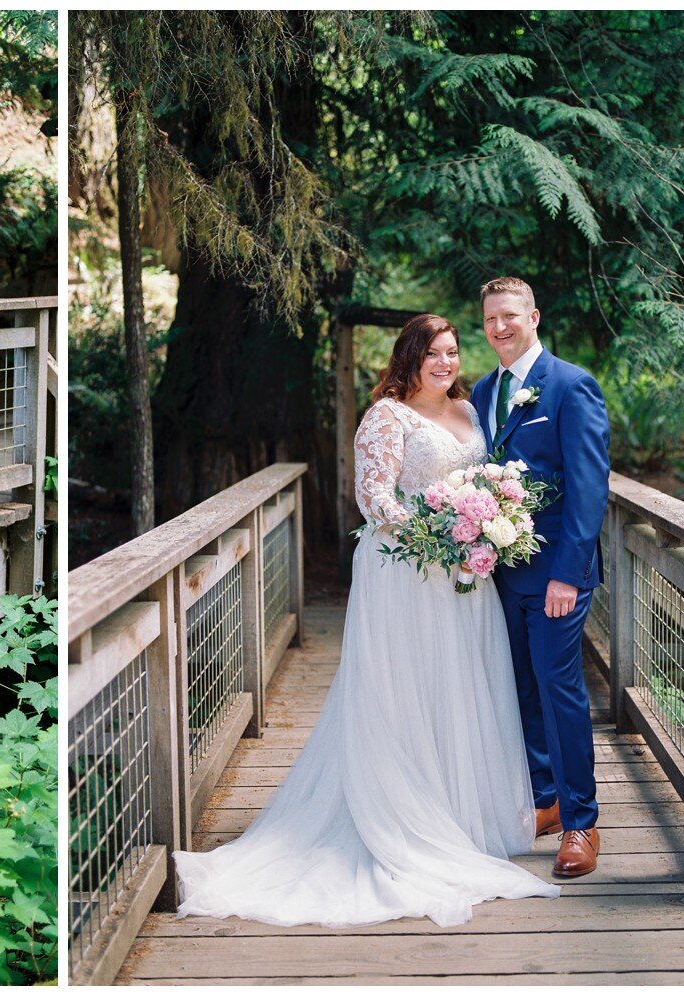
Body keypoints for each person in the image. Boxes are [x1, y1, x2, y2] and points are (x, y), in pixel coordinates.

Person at [173, 314, 559, 928]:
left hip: (465, 573)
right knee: (401, 690)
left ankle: (457, 816)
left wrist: (485, 525)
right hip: (406, 570)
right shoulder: (386, 415)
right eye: (433, 353)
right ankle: (399, 816)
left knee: (459, 688)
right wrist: (435, 534)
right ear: (409, 357)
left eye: (453, 352)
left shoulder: (470, 411)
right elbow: (374, 495)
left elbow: (484, 477)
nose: (445, 363)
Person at [471, 276, 610, 877]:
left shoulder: (571, 386)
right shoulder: (483, 390)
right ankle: (546, 799)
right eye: (489, 320)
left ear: (534, 316)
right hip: (498, 572)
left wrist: (569, 575)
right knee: (519, 687)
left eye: (509, 316)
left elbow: (588, 487)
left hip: (555, 573)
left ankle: (582, 824)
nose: (499, 328)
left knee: (560, 691)